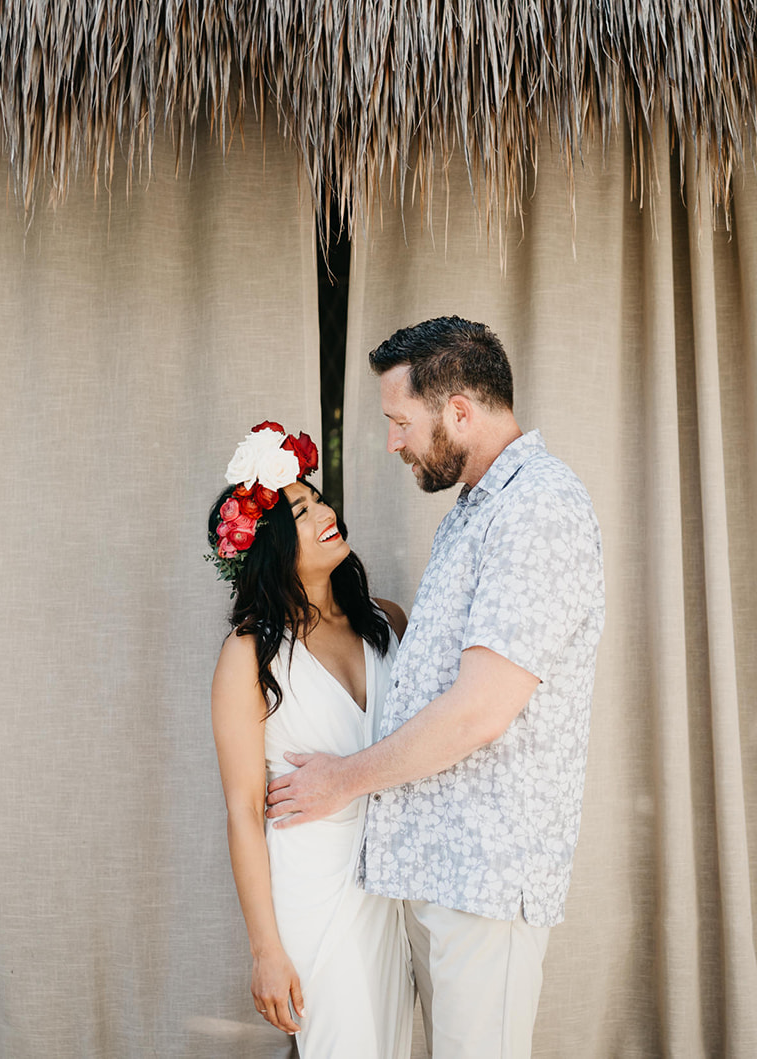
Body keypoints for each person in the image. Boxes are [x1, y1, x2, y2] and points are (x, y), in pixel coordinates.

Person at [265, 318, 606, 1059]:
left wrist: (342, 782)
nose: (391, 442)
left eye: (399, 422)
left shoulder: (536, 509)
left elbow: (480, 710)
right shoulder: (475, 508)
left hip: (485, 881)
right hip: (437, 877)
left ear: (457, 411)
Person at [206, 421, 414, 1058]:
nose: (325, 510)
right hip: (314, 889)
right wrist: (267, 951)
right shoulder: (249, 655)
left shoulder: (387, 621)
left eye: (318, 498)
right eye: (302, 509)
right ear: (270, 548)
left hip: (395, 883)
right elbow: (244, 811)